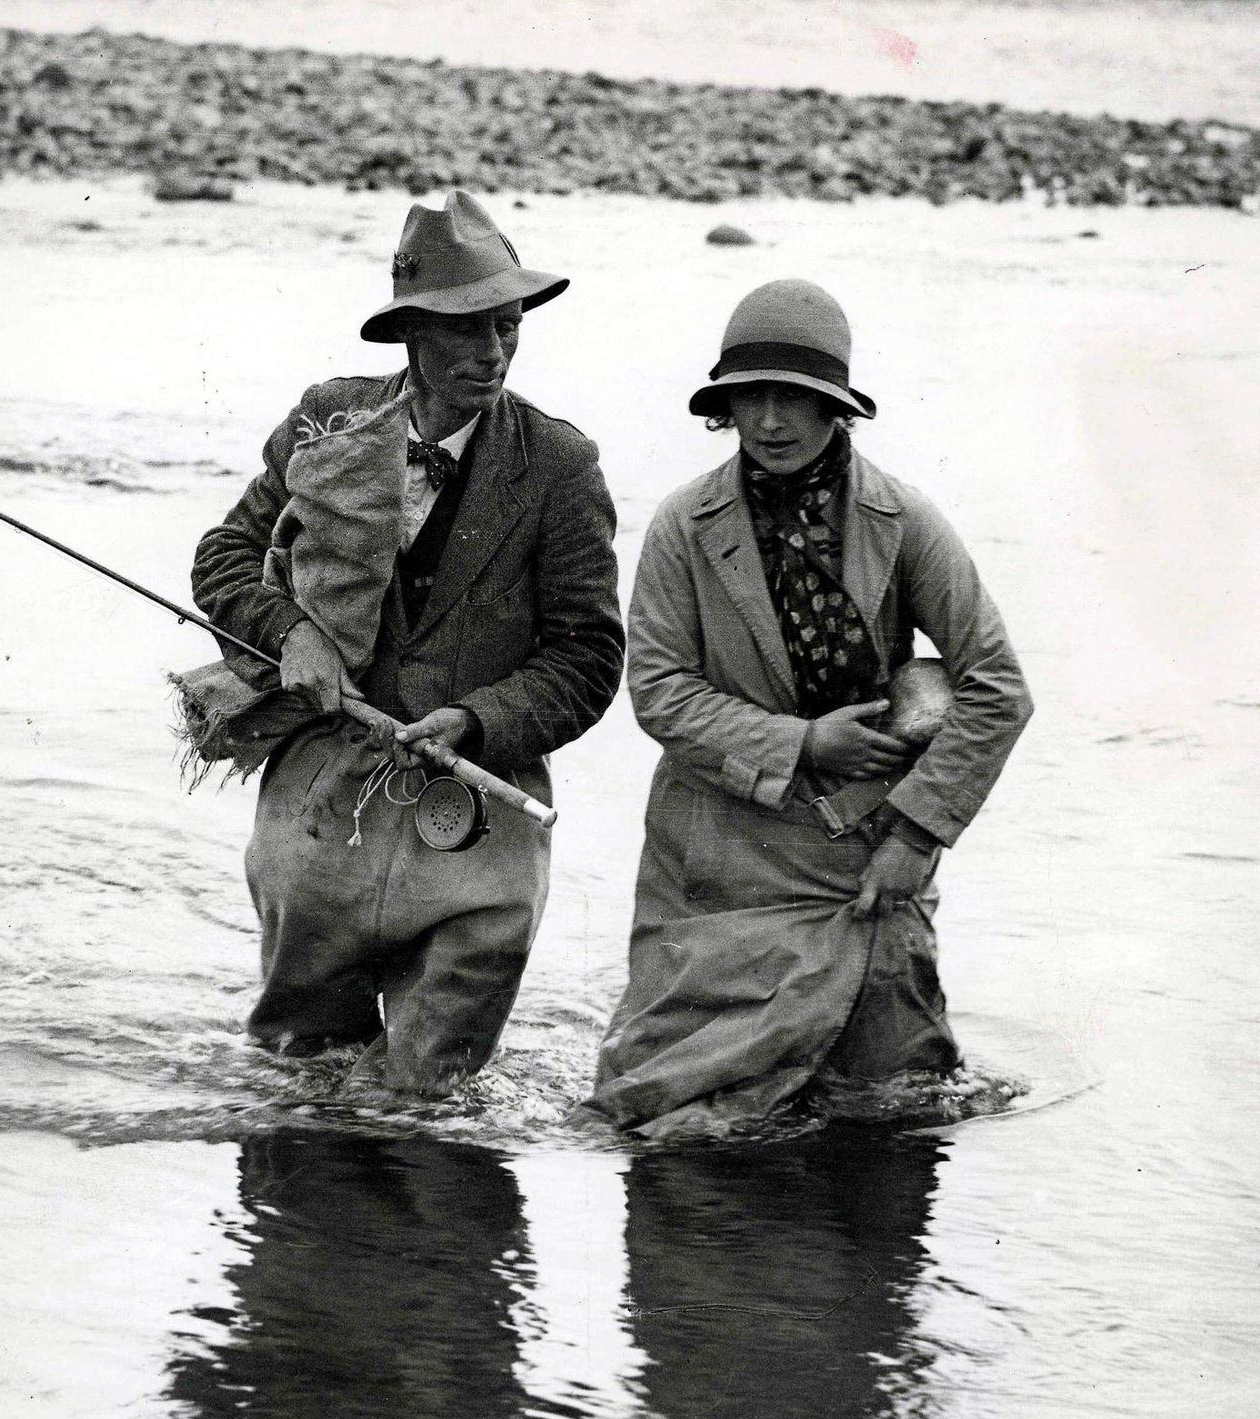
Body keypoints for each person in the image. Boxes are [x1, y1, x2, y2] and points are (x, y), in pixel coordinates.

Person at [191, 191, 623, 1097]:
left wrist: (476, 717)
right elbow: (224, 555)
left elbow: (589, 657)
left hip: (480, 825)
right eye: (468, 331)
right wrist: (290, 631)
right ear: (410, 335)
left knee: (427, 1102)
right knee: (298, 1083)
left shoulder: (559, 467)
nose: (493, 353)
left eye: (507, 327)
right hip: (321, 815)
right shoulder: (329, 422)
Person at [589, 280, 1032, 1136]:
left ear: (837, 407)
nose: (770, 421)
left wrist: (916, 835)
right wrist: (801, 741)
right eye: (749, 396)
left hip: (865, 863)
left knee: (890, 1115)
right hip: (717, 858)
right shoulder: (685, 523)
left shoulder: (903, 521)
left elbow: (997, 686)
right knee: (662, 1119)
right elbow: (658, 688)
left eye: (794, 396)